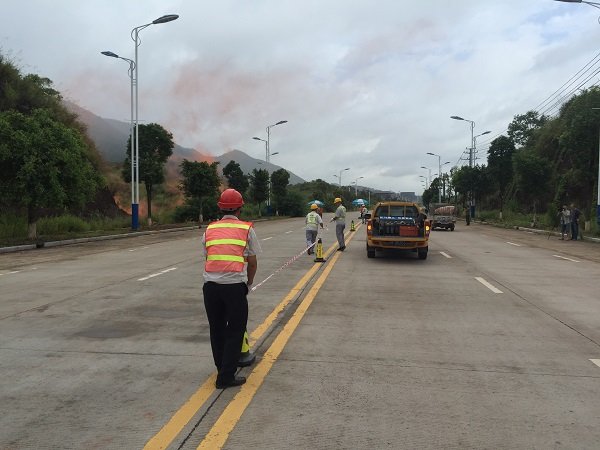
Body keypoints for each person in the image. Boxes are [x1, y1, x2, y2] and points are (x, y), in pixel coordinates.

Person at [200, 189, 261, 389]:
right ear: (240, 208)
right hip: (234, 286)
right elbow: (252, 263)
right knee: (235, 330)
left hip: (210, 287)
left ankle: (221, 368)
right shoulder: (246, 229)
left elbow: (208, 255)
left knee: (216, 329)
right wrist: (248, 284)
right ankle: (226, 377)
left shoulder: (209, 229)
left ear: (220, 208)